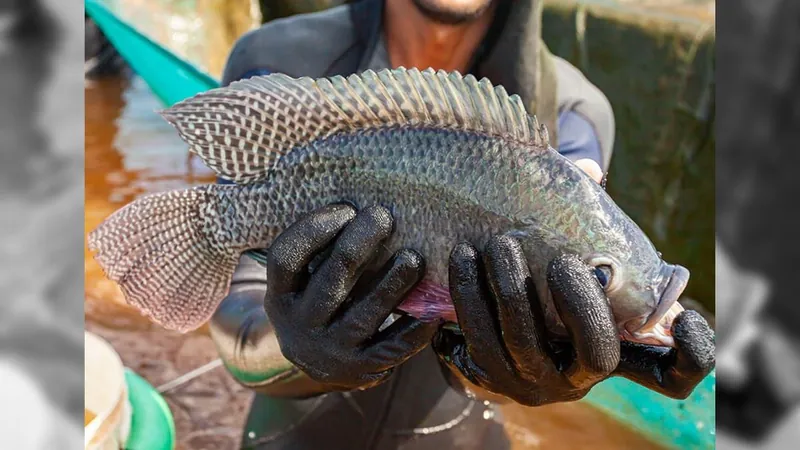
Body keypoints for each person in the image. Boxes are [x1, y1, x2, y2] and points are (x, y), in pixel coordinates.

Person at [208, 1, 715, 448]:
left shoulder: (575, 113)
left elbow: (559, 282)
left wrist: (539, 370)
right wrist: (291, 343)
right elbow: (224, 297)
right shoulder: (277, 58)